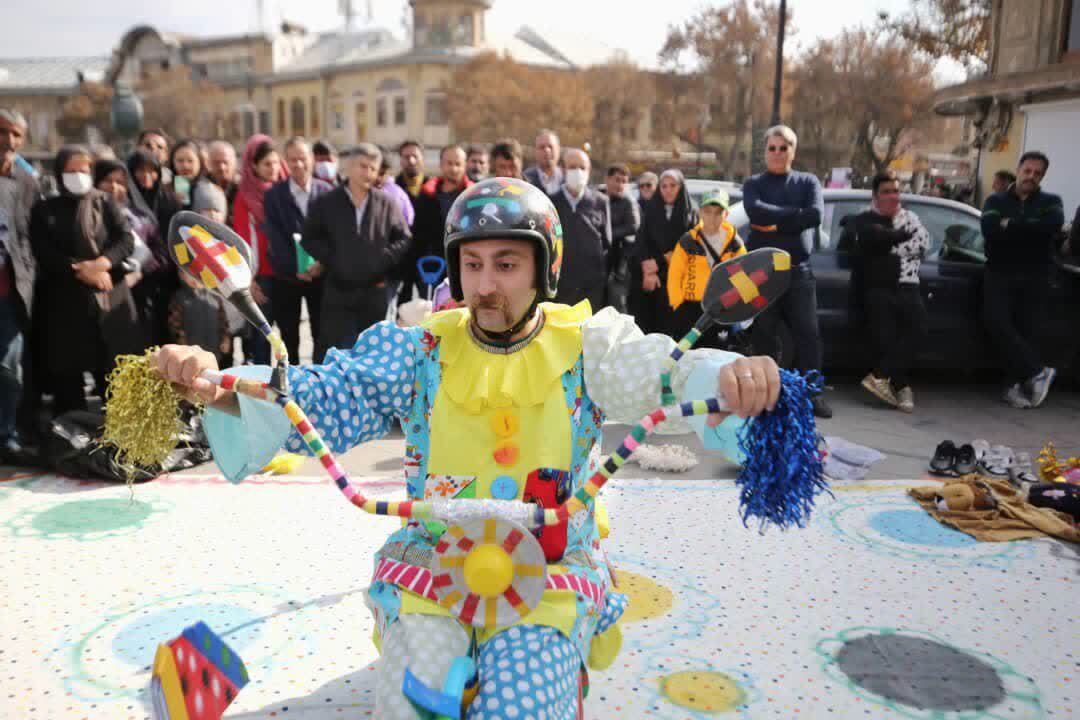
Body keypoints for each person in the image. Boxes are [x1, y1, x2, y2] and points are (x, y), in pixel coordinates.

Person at [155, 176, 782, 720]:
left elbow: (665, 373)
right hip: (432, 563)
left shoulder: (588, 343)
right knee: (411, 703)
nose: (485, 285)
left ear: (544, 269)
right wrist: (223, 385)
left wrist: (723, 374)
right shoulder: (419, 346)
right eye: (473, 264)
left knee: (520, 705)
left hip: (552, 572)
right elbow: (324, 395)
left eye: (506, 264)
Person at [29, 145, 143, 414]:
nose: (78, 175)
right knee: (69, 371)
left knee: (115, 367)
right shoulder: (46, 209)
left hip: (110, 295)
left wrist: (103, 264)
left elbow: (125, 239)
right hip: (66, 300)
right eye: (71, 170)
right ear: (59, 173)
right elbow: (44, 251)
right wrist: (83, 270)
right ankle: (73, 433)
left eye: (84, 170)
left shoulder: (106, 203)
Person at [742, 125, 831, 418]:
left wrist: (776, 225)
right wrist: (796, 214)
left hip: (798, 270)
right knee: (764, 334)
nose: (778, 153)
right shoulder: (753, 182)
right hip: (763, 272)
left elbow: (816, 215)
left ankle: (812, 394)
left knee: (808, 334)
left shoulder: (808, 182)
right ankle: (766, 394)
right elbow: (756, 211)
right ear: (765, 152)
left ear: (793, 151)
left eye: (784, 148)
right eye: (772, 148)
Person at [301, 143, 411, 357]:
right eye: (363, 166)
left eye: (373, 168)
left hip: (374, 290)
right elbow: (309, 237)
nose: (368, 173)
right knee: (331, 350)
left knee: (373, 352)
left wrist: (382, 259)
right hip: (337, 289)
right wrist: (332, 259)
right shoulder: (327, 202)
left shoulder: (386, 203)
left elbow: (404, 238)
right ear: (349, 168)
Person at [838, 172, 930, 413]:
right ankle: (902, 386)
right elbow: (864, 244)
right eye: (886, 192)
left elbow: (923, 243)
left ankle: (879, 376)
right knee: (887, 341)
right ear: (876, 196)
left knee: (919, 331)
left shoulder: (909, 217)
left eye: (895, 191)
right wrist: (889, 242)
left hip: (908, 285)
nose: (892, 196)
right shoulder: (863, 220)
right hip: (877, 289)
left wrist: (886, 246)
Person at [981, 151, 1065, 409]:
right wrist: (1029, 228)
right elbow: (990, 230)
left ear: (1042, 176)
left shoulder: (1052, 201)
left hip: (1035, 275)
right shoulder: (995, 199)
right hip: (999, 273)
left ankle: (1012, 386)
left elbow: (1051, 227)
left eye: (1037, 173)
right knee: (997, 322)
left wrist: (1011, 225)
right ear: (1019, 170)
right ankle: (1038, 372)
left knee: (1024, 329)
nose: (1031, 176)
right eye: (1028, 171)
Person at [262, 137, 333, 364]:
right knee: (289, 336)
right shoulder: (274, 195)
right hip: (287, 277)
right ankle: (293, 384)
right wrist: (296, 269)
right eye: (292, 160)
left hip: (320, 276)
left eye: (302, 158)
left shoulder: (327, 192)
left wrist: (320, 263)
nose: (298, 165)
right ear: (285, 162)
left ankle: (318, 382)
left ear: (311, 159)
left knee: (321, 334)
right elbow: (275, 237)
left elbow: (332, 234)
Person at [0, 109, 39, 461]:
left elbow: (31, 234)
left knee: (10, 366)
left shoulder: (27, 182)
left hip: (10, 292)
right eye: (2, 133)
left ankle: (6, 434)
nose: (8, 142)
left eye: (16, 135)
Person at [168, 182, 237, 369]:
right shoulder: (185, 240)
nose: (212, 214)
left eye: (216, 210)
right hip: (191, 327)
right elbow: (181, 262)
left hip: (218, 302)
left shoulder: (228, 238)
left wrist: (226, 338)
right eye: (206, 209)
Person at [233, 135, 287, 365]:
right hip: (261, 277)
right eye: (267, 164)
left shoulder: (286, 190)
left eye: (276, 162)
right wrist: (249, 280)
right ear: (253, 165)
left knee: (289, 337)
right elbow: (244, 241)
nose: (273, 169)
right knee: (262, 338)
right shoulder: (245, 196)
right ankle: (263, 392)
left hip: (287, 273)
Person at [667, 189, 746, 342]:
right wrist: (677, 305)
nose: (712, 217)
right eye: (708, 211)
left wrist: (740, 307)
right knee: (688, 353)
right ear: (700, 212)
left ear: (726, 215)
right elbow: (675, 274)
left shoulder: (734, 243)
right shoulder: (688, 240)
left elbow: (743, 274)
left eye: (718, 212)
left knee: (717, 352)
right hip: (690, 307)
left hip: (721, 307)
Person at [631, 168, 697, 336]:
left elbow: (689, 247)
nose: (668, 190)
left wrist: (658, 263)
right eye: (664, 186)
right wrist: (647, 269)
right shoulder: (652, 210)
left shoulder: (691, 214)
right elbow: (642, 241)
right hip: (651, 282)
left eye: (672, 186)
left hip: (678, 281)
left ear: (681, 187)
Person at [406, 145, 472, 301]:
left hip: (465, 268)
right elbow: (417, 236)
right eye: (449, 163)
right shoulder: (426, 195)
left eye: (458, 164)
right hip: (431, 269)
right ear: (441, 164)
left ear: (464, 166)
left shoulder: (473, 196)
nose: (454, 168)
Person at [550, 148, 611, 309]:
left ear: (589, 171)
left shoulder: (600, 202)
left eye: (582, 167)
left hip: (592, 286)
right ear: (563, 169)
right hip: (561, 285)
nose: (577, 171)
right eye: (572, 167)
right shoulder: (552, 202)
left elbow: (607, 242)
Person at [601, 163, 640, 313]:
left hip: (618, 265)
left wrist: (607, 234)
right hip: (597, 263)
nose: (620, 185)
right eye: (617, 180)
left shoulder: (628, 202)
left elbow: (633, 226)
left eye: (624, 181)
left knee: (616, 305)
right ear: (607, 179)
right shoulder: (597, 196)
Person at [375, 153, 415, 227]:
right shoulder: (358, 190)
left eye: (382, 174)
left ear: (388, 172)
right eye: (374, 172)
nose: (378, 178)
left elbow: (408, 220)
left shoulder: (397, 194)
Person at [168, 139, 207, 210]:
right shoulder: (166, 189)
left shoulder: (207, 189)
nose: (185, 166)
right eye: (180, 161)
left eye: (190, 161)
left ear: (200, 162)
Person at [206, 140, 239, 224]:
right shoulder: (202, 188)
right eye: (216, 163)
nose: (221, 167)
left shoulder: (244, 189)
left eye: (225, 162)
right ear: (208, 163)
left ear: (234, 163)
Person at [524, 129, 563, 195]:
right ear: (535, 151)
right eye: (542, 147)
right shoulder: (525, 180)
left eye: (550, 147)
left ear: (558, 150)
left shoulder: (568, 180)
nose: (547, 150)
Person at [394, 139, 426, 212]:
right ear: (400, 160)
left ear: (423, 159)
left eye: (415, 156)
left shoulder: (434, 188)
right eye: (406, 157)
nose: (411, 161)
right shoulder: (393, 188)